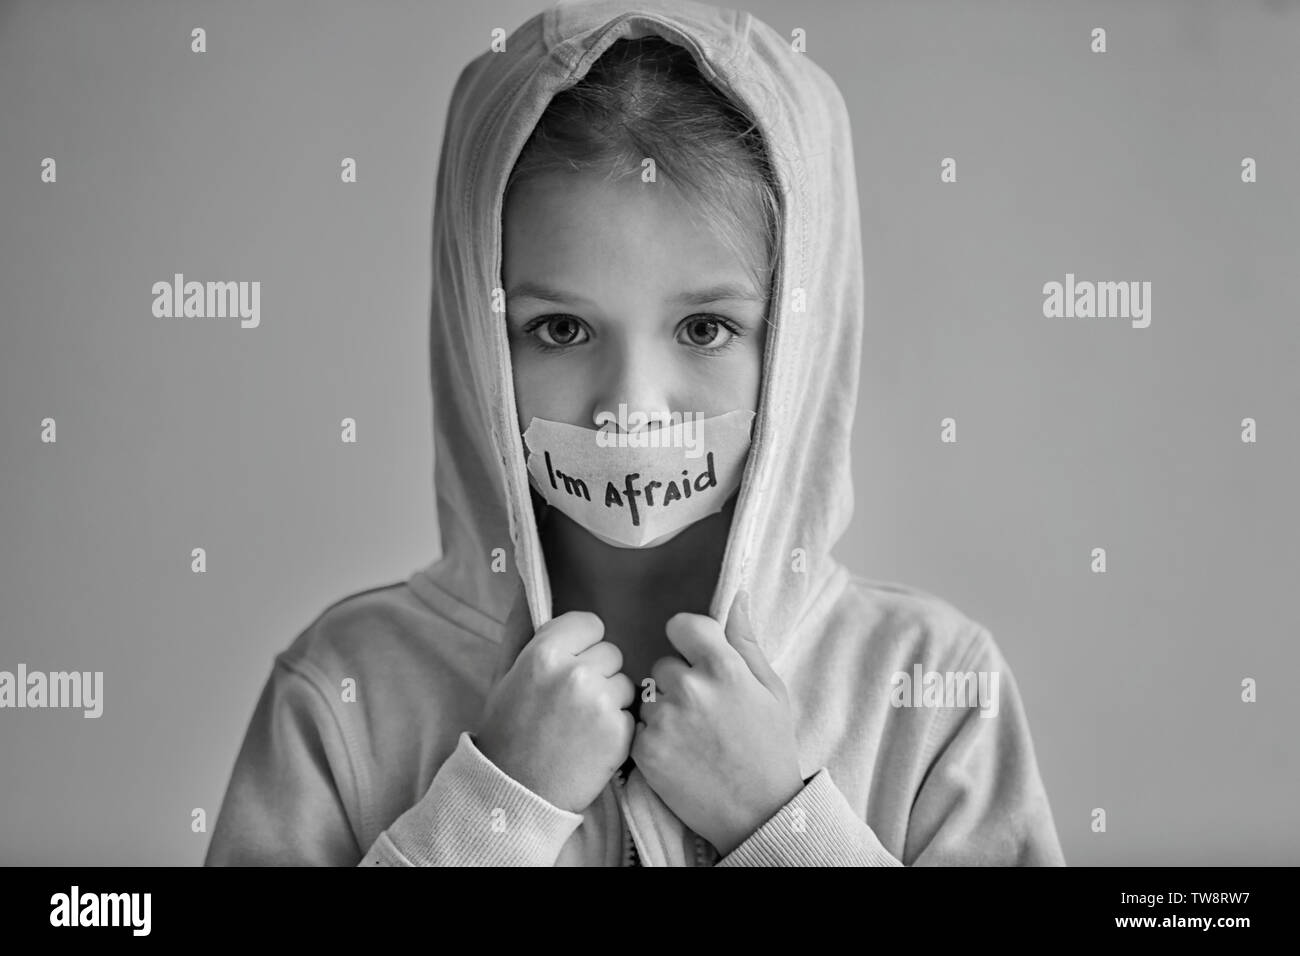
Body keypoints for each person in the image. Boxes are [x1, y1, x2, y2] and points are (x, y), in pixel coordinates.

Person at [205, 0, 1065, 867]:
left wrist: (779, 826)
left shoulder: (934, 689)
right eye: (561, 330)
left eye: (704, 329)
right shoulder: (345, 693)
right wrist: (495, 808)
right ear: (478, 332)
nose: (632, 410)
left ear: (798, 343)